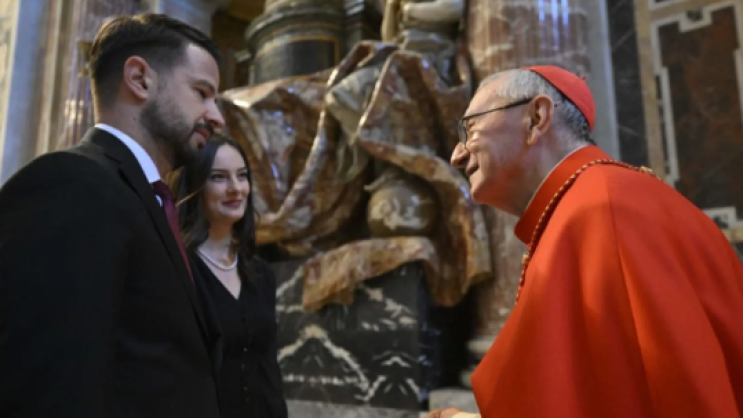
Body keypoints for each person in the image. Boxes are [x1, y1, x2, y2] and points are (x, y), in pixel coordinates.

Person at [429, 65, 743, 418]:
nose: (457, 156)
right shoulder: (604, 200)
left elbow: (678, 392)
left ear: (536, 118)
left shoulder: (598, 213)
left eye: (469, 130)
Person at [0, 14, 225, 418]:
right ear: (139, 79)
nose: (217, 116)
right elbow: (47, 389)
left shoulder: (146, 199)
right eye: (202, 93)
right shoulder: (71, 184)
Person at [172, 135, 288, 418]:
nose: (236, 188)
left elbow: (268, 368)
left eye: (242, 176)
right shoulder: (177, 269)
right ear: (196, 186)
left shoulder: (261, 273)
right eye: (219, 177)